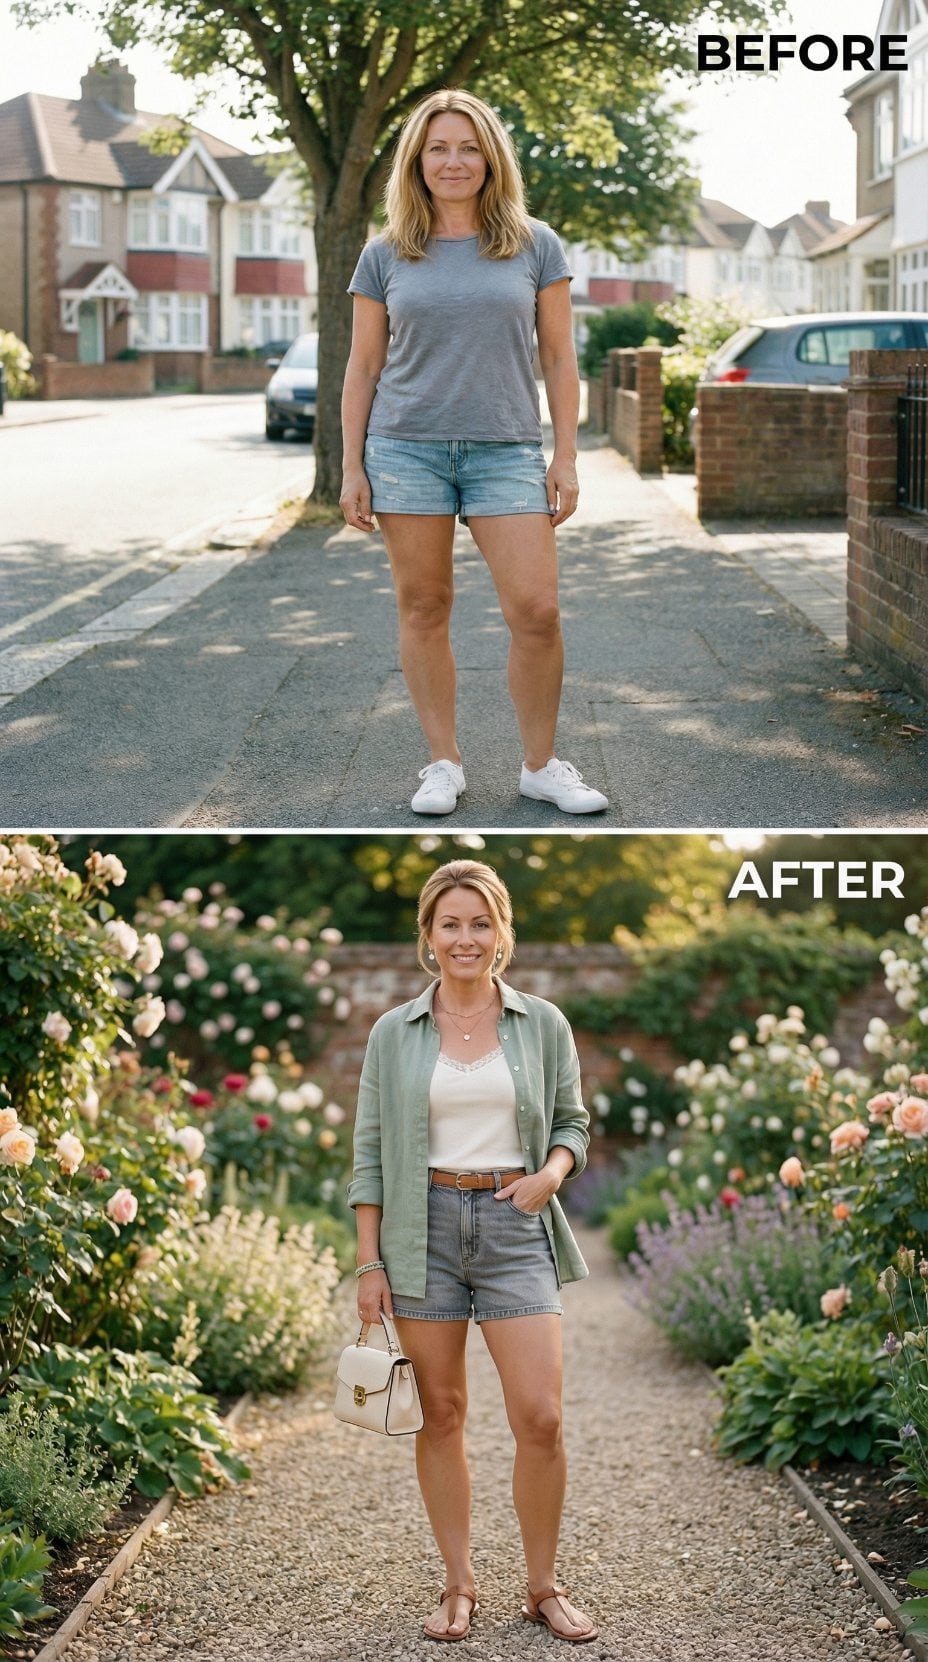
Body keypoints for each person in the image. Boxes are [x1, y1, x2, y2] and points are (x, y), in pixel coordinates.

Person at [347, 858, 599, 1644]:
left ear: (501, 932)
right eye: (450, 923)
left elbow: (573, 1123)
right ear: (428, 934)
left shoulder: (543, 1024)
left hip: (514, 1226)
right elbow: (369, 1152)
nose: (466, 938)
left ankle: (543, 1587)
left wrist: (550, 1175)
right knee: (443, 1413)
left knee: (541, 1417)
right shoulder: (393, 1033)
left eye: (480, 923)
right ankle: (458, 1585)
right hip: (419, 1230)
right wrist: (369, 1263)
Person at [340, 89, 608, 820]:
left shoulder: (535, 244)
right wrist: (352, 466)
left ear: (491, 159)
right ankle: (443, 763)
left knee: (538, 611)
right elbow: (364, 366)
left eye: (468, 147)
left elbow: (559, 357)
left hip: (506, 450)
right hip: (405, 450)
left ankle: (541, 767)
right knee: (424, 606)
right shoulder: (384, 253)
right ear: (417, 161)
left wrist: (566, 456)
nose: (453, 161)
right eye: (438, 148)